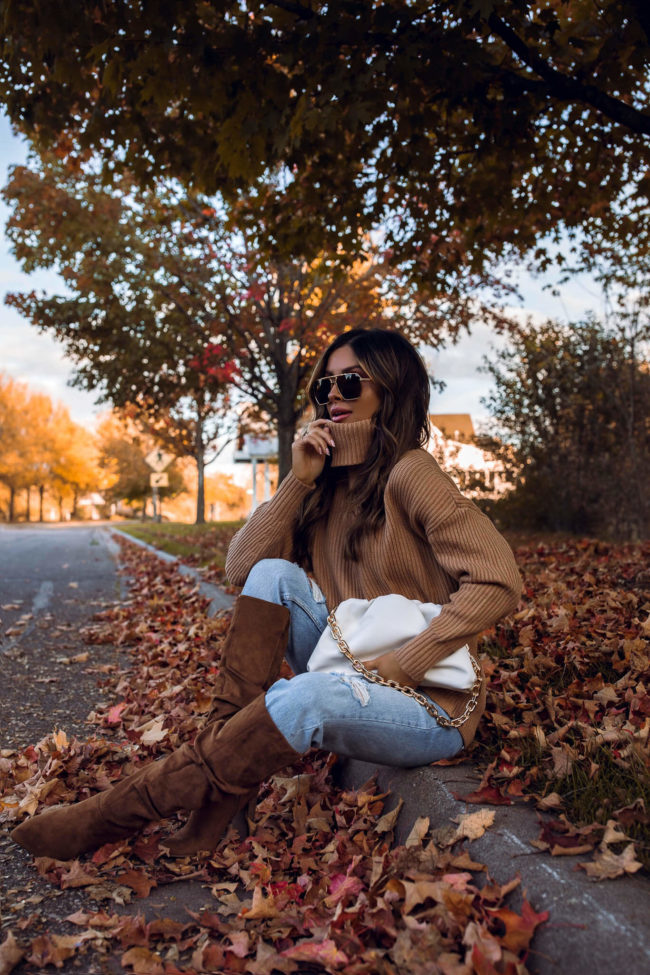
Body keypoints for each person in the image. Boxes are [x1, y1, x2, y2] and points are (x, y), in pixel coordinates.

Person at [11, 328, 522, 861]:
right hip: (349, 661)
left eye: (350, 383)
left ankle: (111, 816)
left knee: (299, 697)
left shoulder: (413, 474)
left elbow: (499, 578)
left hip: (428, 704)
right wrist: (297, 482)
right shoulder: (323, 482)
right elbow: (241, 568)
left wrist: (410, 659)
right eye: (324, 387)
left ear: (391, 390)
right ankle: (219, 799)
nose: (333, 397)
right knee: (273, 574)